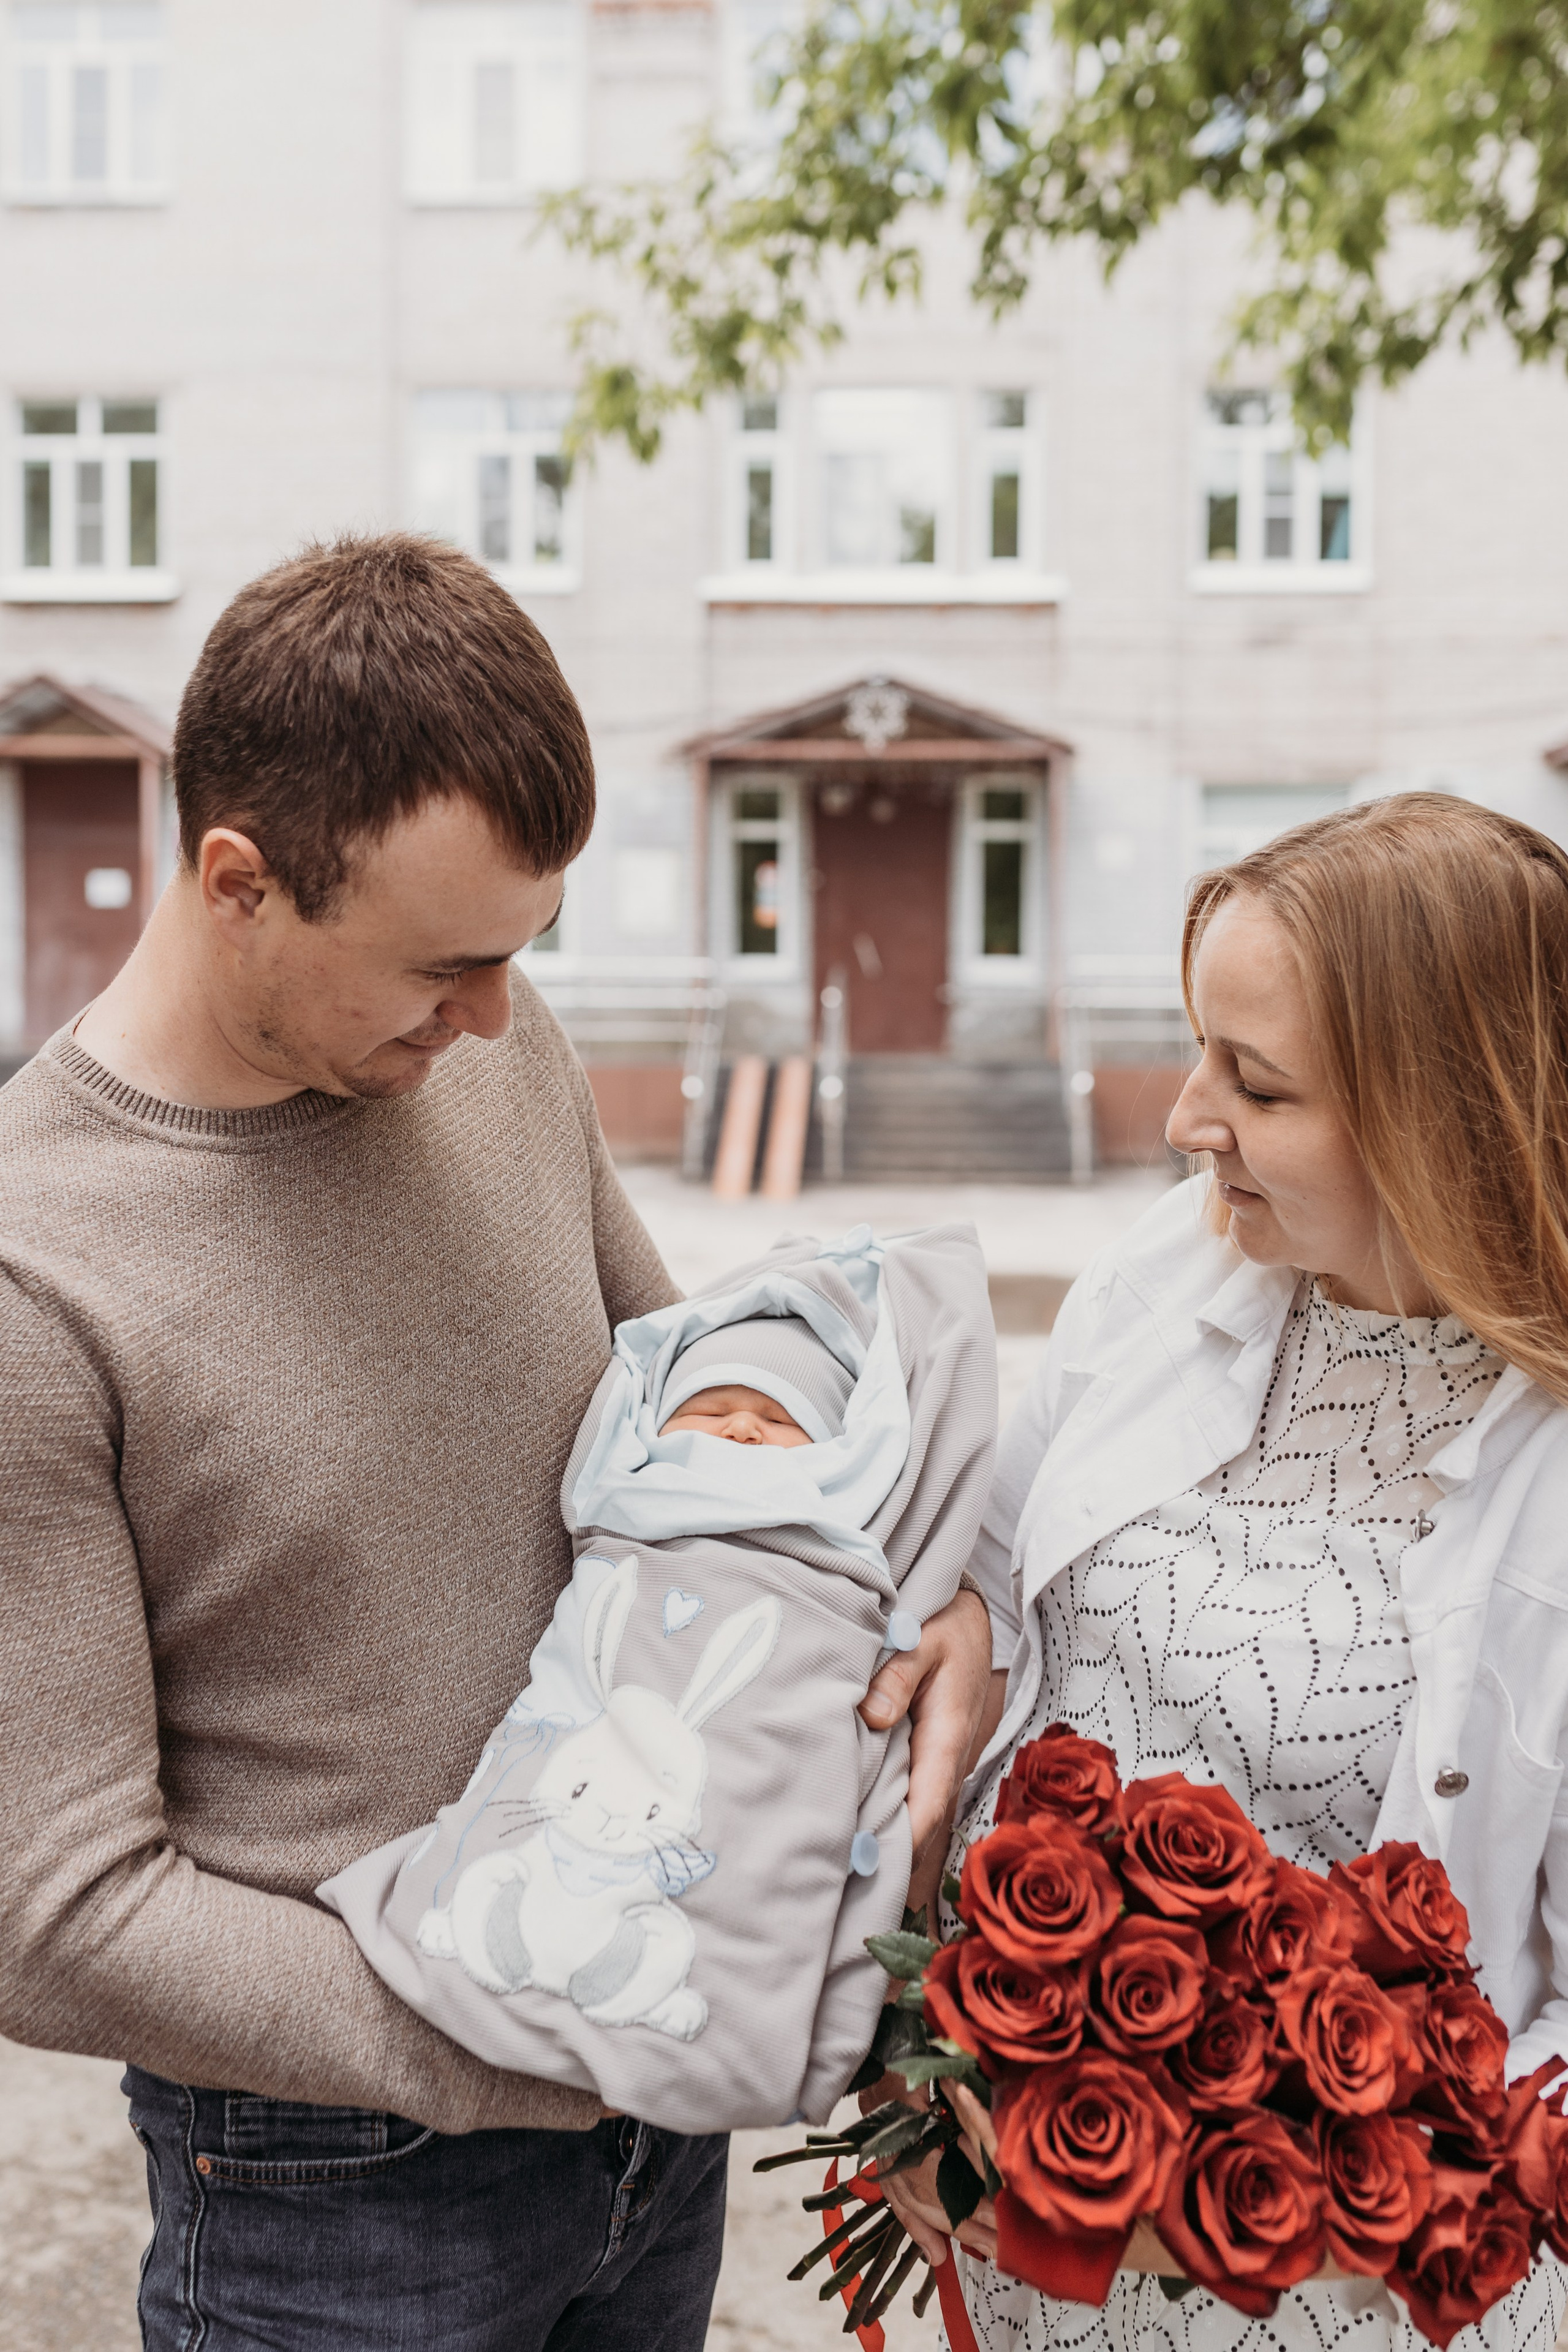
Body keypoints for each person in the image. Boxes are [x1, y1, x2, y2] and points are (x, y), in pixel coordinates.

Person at [0, 532, 996, 2352]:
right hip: (334, 2202)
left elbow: (709, 1457)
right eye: (443, 968)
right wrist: (518, 2033)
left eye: (522, 957)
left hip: (647, 2116)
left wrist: (923, 1606)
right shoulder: (34, 1272)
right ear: (239, 881)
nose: (490, 1021)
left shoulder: (489, 1037)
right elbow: (55, 1912)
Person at [877, 793, 1568, 2352]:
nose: (1187, 1119)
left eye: (1253, 1084)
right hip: (1019, 2263)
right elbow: (977, 1586)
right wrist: (916, 2050)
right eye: (1198, 1054)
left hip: (1347, 2307)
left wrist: (1311, 2198)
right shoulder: (1161, 1270)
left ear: (1439, 1116)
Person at [321, 1227, 998, 2137]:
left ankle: (715, 2008)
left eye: (784, 1419)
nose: (742, 1429)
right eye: (710, 1409)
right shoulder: (628, 1501)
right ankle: (482, 1936)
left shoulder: (839, 1541)